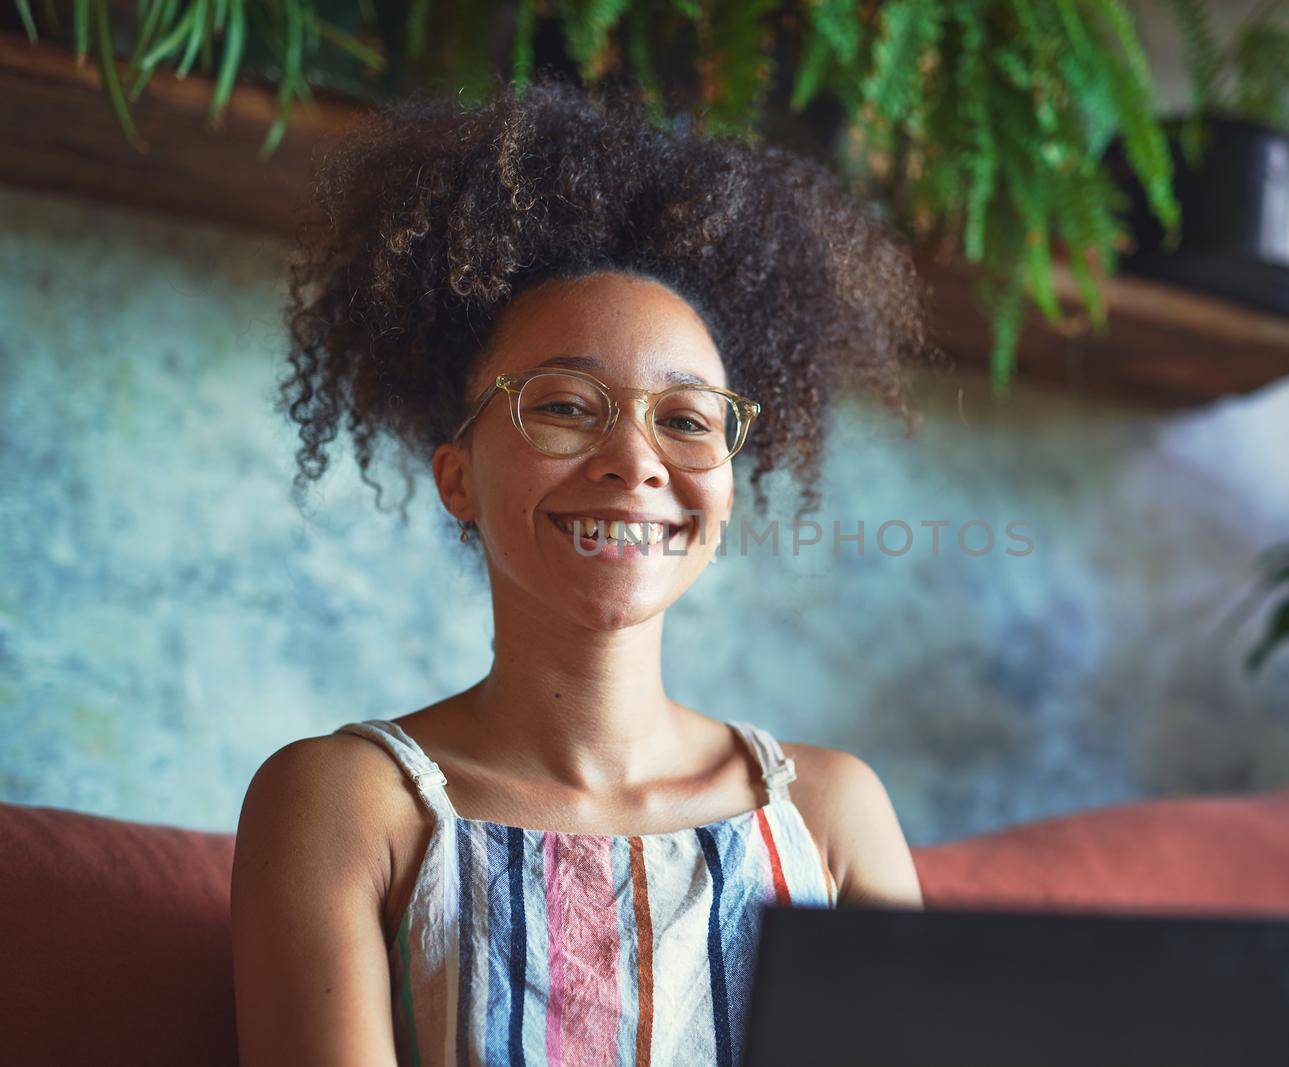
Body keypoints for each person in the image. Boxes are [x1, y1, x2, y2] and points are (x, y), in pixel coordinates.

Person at [231, 74, 935, 1066]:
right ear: (458, 475)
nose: (637, 459)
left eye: (687, 420)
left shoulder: (829, 809)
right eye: (564, 405)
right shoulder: (348, 802)